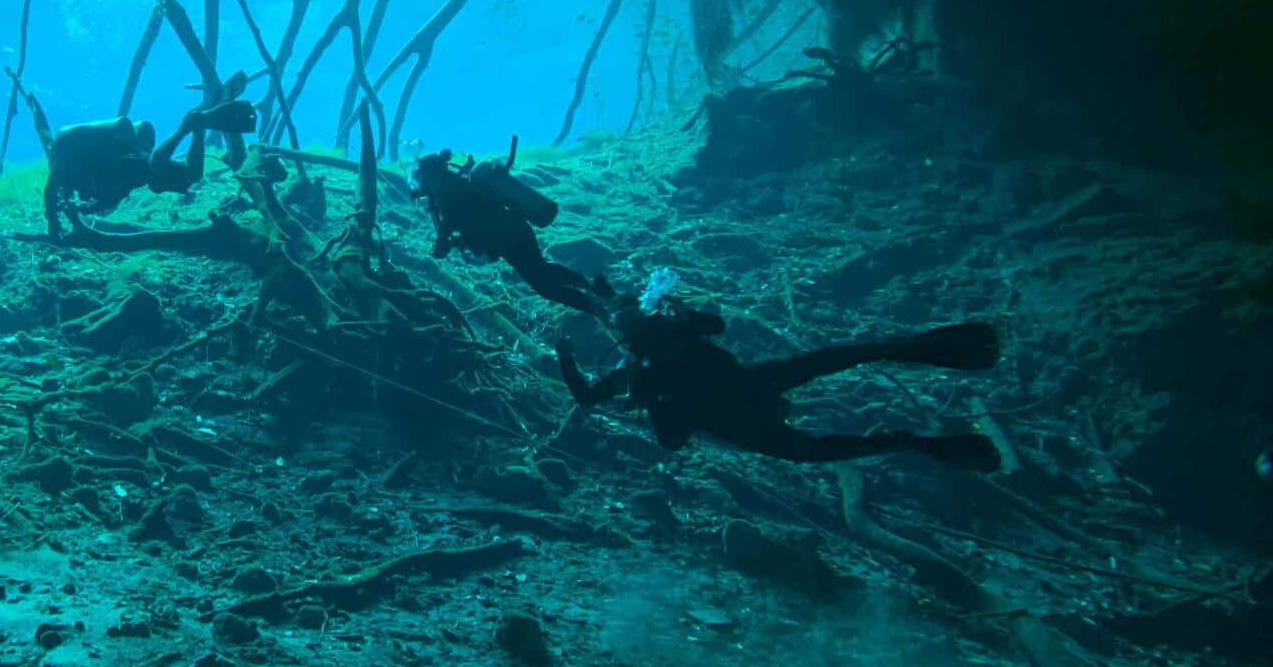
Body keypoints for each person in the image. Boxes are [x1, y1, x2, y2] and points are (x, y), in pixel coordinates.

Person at [558, 270, 1003, 470]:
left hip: (731, 406)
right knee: (823, 391)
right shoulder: (645, 354)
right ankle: (914, 415)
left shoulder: (638, 360)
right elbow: (713, 324)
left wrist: (566, 359)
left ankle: (912, 430)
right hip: (741, 393)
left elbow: (587, 394)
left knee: (810, 441)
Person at [409, 137, 611, 318]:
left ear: (426, 175)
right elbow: (467, 220)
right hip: (514, 228)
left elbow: (451, 218)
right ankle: (592, 287)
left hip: (506, 237)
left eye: (418, 181)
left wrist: (441, 245)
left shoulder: (442, 188)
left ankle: (596, 307)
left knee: (543, 284)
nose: (419, 187)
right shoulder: (455, 183)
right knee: (541, 270)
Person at [22, 84, 257, 239]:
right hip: (138, 162)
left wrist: (53, 222)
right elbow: (114, 192)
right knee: (182, 174)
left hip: (139, 164)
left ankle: (189, 127)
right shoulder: (77, 170)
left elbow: (51, 190)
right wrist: (83, 209)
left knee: (172, 172)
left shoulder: (66, 164)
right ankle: (193, 128)